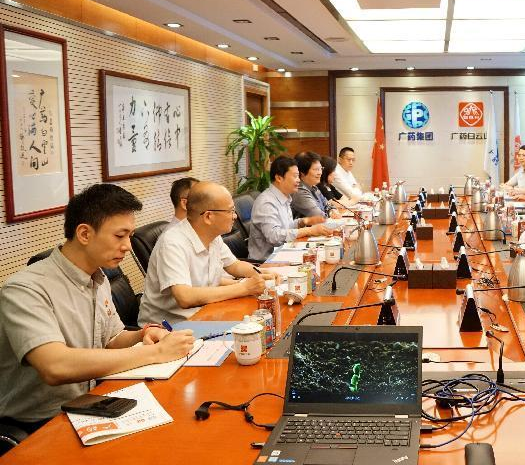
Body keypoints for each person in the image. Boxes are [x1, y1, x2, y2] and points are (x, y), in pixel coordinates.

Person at [0, 184, 195, 433]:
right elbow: (55, 366)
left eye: (130, 236)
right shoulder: (25, 289)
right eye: (119, 236)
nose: (128, 246)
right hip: (39, 424)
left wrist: (143, 334)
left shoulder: (97, 276)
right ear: (84, 234)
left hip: (92, 403)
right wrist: (156, 353)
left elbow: (111, 338)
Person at [138, 182, 270, 326]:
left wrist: (264, 274)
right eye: (230, 211)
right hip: (169, 327)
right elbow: (185, 297)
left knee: (262, 319)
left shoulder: (212, 235)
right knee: (256, 329)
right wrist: (244, 288)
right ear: (208, 216)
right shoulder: (172, 243)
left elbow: (235, 265)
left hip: (206, 313)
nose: (235, 216)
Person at [248, 156, 332, 262]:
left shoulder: (284, 197)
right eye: (295, 176)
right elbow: (274, 236)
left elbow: (286, 227)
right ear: (279, 178)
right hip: (267, 261)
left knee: (321, 255)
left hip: (285, 253)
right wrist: (308, 230)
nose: (298, 180)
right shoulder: (266, 202)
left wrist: (303, 221)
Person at [291, 151, 334, 220]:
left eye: (321, 169)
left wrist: (332, 211)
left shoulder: (314, 187)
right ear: (302, 172)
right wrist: (330, 214)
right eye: (316, 169)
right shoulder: (299, 191)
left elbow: (328, 205)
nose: (320, 173)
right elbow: (319, 216)